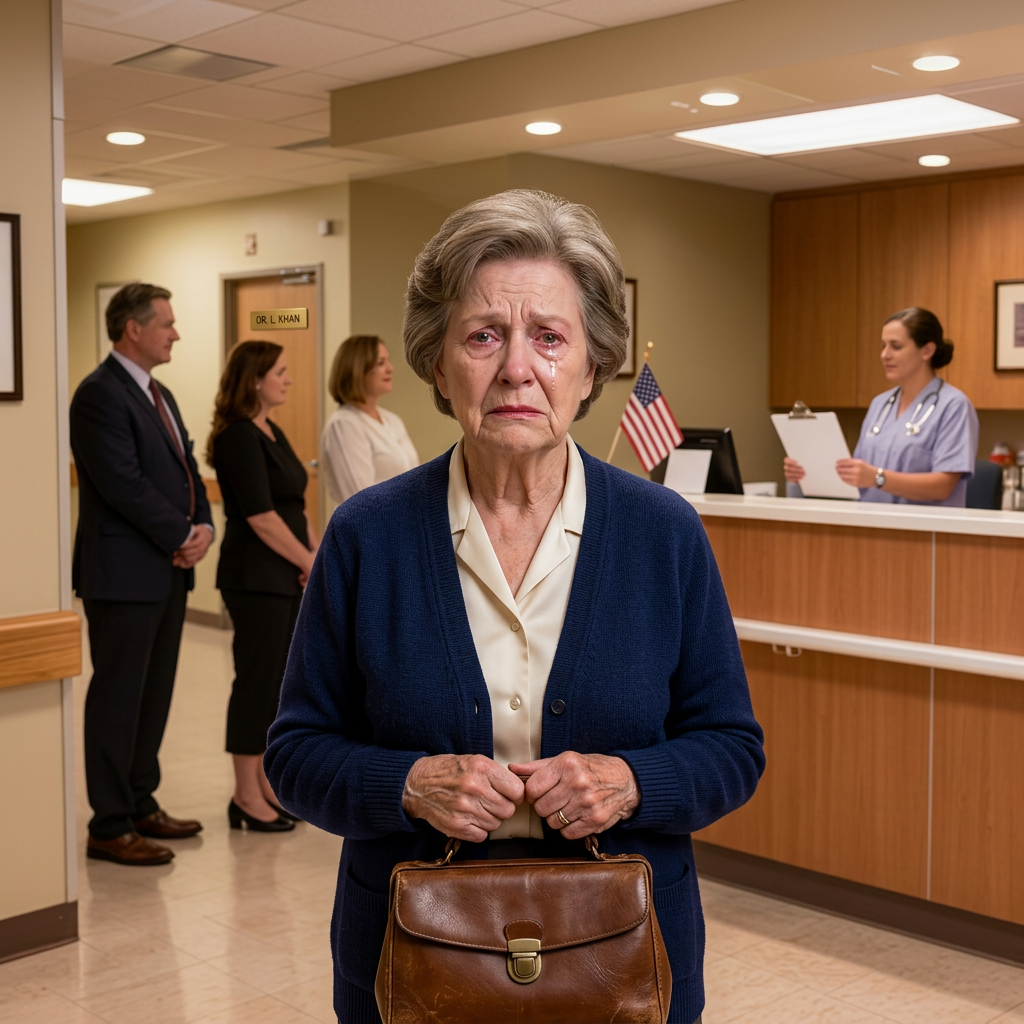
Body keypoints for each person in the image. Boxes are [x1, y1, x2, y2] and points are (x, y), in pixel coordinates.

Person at [266, 190, 765, 1024]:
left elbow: (732, 749)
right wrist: (409, 784)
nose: (516, 369)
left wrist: (632, 781)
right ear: (437, 360)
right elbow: (295, 755)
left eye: (549, 337)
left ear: (592, 363)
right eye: (484, 335)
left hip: (627, 967)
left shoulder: (663, 534)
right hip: (412, 964)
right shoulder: (367, 536)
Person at [71, 283, 213, 866]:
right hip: (123, 575)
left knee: (152, 696)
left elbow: (186, 468)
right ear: (134, 328)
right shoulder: (98, 396)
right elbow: (122, 483)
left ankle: (139, 800)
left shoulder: (161, 394)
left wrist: (203, 525)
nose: (176, 333)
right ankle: (109, 823)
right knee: (118, 698)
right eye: (167, 323)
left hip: (164, 572)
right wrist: (181, 535)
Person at [208, 341, 318, 832]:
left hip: (287, 573)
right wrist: (307, 560)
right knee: (255, 683)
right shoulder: (237, 437)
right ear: (254, 379)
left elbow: (294, 506)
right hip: (255, 577)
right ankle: (245, 794)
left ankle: (269, 784)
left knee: (279, 685)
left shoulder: (271, 431)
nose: (287, 379)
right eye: (280, 371)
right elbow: (261, 517)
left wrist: (316, 556)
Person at [784, 307, 979, 505]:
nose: (884, 355)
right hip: (872, 527)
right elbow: (857, 477)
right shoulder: (880, 404)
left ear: (927, 351)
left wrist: (878, 478)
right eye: (883, 346)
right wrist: (807, 473)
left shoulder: (954, 406)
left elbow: (943, 486)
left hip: (925, 532)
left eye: (895, 346)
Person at [320, 335, 418, 505]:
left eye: (387, 361)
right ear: (357, 370)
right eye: (380, 363)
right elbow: (359, 500)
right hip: (369, 528)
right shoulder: (345, 425)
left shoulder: (392, 420)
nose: (390, 368)